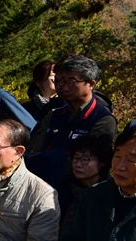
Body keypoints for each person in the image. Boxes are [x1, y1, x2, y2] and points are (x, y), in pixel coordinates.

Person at [26, 55, 117, 188]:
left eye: (72, 82)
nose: (65, 88)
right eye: (61, 82)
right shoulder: (53, 115)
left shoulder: (102, 119)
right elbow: (34, 151)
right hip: (42, 184)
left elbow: (92, 162)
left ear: (91, 84)